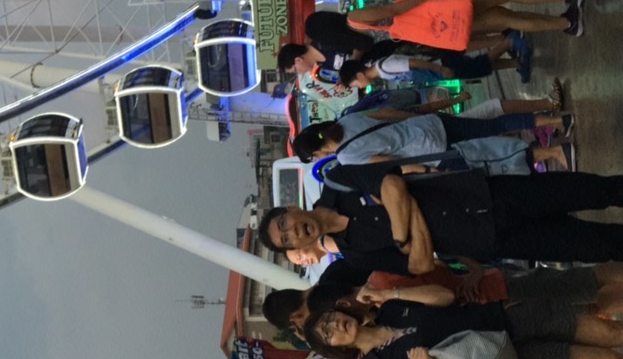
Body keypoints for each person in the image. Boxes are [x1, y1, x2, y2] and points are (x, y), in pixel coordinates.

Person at [301, 265, 623, 359]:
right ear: (337, 349)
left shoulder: (391, 310)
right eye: (329, 334)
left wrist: (390, 294)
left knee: (610, 333)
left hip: (509, 320)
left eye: (330, 319)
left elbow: (445, 297)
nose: (336, 326)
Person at [257, 162, 623, 274]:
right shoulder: (358, 253)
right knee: (597, 245)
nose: (293, 234)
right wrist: (406, 219)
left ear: (292, 209)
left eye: (285, 226)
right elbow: (418, 267)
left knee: (596, 191)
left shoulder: (338, 180)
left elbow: (393, 184)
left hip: (485, 193)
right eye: (287, 241)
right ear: (296, 248)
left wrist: (405, 235)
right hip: (487, 240)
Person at [290, 106, 573, 172]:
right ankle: (558, 120)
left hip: (434, 151)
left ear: (316, 153)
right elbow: (389, 114)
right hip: (430, 124)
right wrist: (418, 118)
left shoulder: (346, 157)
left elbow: (391, 162)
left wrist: (426, 170)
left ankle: (556, 152)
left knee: (493, 155)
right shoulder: (345, 120)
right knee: (493, 125)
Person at [346, 0, 588, 42]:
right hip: (438, 9)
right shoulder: (354, 18)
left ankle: (566, 24)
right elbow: (393, 9)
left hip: (444, 27)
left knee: (507, 18)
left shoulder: (359, 33)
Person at [337, 33, 527, 87]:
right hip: (437, 69)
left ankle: (510, 42)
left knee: (478, 66)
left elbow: (413, 63)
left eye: (354, 84)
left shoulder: (384, 66)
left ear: (359, 75)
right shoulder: (381, 72)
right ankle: (516, 63)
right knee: (478, 67)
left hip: (441, 65)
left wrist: (440, 70)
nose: (358, 87)